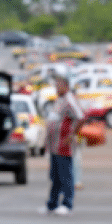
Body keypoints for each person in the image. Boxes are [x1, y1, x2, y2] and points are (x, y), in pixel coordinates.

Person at [41, 73, 84, 216]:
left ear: (66, 86)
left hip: (63, 145)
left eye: (58, 85)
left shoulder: (69, 100)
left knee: (65, 175)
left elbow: (81, 117)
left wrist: (72, 135)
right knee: (55, 176)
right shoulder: (59, 100)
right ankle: (52, 204)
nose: (56, 88)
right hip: (54, 146)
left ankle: (67, 203)